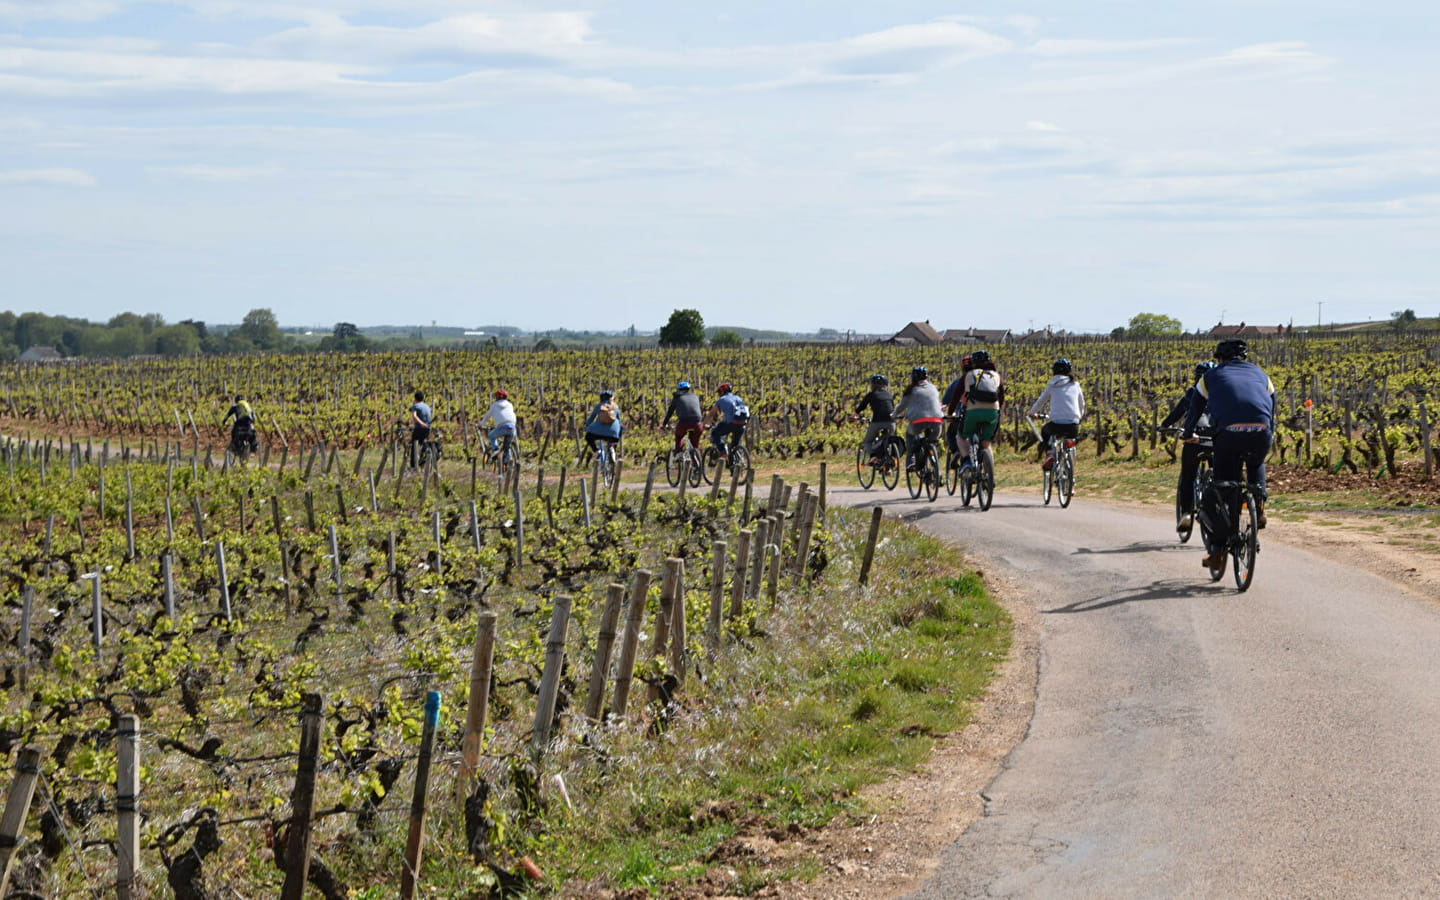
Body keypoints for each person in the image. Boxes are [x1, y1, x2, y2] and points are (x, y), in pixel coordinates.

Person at [1183, 339, 1275, 569]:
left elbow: (1194, 408)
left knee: (1221, 489)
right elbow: (1273, 407)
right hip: (1262, 431)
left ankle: (1216, 550)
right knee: (1256, 463)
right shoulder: (1262, 375)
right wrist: (1266, 430)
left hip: (1229, 435)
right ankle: (1259, 502)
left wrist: (1188, 432)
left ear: (1219, 358)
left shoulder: (1210, 377)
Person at [1161, 361, 1216, 532]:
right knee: (1220, 475)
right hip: (1216, 439)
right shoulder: (1222, 393)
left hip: (1194, 440)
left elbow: (1177, 413)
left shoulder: (1193, 392)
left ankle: (1185, 513)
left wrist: (1164, 425)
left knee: (1188, 476)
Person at [1028, 358, 1086, 471]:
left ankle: (1050, 454)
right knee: (1070, 444)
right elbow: (1082, 404)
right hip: (1073, 424)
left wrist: (1032, 412)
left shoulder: (1052, 385)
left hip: (1056, 423)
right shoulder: (1075, 385)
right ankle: (1071, 480)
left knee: (1045, 431)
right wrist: (1079, 417)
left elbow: (1041, 401)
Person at [958, 349, 1004, 468]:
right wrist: (998, 411)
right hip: (993, 412)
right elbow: (1001, 396)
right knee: (986, 444)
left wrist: (950, 412)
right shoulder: (996, 375)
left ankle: (967, 461)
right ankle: (989, 477)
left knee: (961, 436)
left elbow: (957, 395)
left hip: (973, 411)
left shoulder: (970, 374)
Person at [893, 365, 943, 471]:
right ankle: (935, 465)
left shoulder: (912, 390)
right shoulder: (933, 388)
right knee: (931, 442)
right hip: (937, 422)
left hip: (918, 422)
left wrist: (893, 415)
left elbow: (901, 406)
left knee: (910, 436)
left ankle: (911, 461)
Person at [854, 373, 895, 463]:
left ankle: (873, 456)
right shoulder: (889, 395)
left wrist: (855, 414)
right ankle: (888, 465)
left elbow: (862, 406)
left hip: (877, 422)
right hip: (892, 423)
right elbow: (892, 407)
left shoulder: (871, 395)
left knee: (867, 442)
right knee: (888, 440)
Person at [941, 354, 973, 459]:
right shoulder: (983, 381)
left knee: (951, 434)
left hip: (961, 416)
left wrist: (948, 413)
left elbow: (946, 401)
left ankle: (956, 453)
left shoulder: (958, 382)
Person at [707, 382, 749, 456]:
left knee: (715, 433)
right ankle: (735, 462)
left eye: (719, 392)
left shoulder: (721, 400)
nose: (719, 394)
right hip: (742, 423)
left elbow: (711, 414)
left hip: (731, 424)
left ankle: (723, 451)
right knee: (734, 445)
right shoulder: (738, 398)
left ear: (723, 391)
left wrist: (703, 424)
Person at [663, 381, 704, 453]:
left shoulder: (677, 398)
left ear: (678, 389)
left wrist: (664, 424)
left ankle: (679, 454)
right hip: (698, 423)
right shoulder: (695, 397)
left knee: (679, 436)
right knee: (695, 444)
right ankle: (696, 459)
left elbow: (670, 411)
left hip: (684, 423)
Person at [583, 390, 622, 458]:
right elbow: (619, 421)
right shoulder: (616, 407)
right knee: (614, 439)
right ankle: (613, 450)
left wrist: (586, 424)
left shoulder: (599, 406)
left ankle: (596, 451)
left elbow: (591, 419)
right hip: (613, 434)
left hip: (598, 432)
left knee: (588, 436)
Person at [481, 389, 518, 458]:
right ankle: (509, 460)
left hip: (501, 427)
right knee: (507, 446)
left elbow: (487, 416)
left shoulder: (494, 405)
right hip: (513, 428)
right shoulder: (510, 405)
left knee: (491, 436)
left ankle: (496, 450)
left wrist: (481, 424)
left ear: (497, 397)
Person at [407, 390, 432, 469]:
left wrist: (421, 424)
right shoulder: (427, 406)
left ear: (415, 398)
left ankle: (413, 465)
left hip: (419, 428)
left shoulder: (415, 406)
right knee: (423, 444)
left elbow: (414, 416)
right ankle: (423, 461)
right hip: (427, 428)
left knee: (414, 445)